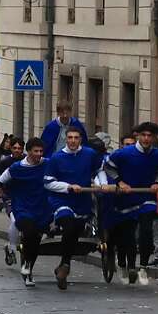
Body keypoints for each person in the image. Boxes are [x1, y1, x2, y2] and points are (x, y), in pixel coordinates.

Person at [99, 123, 158, 286]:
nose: (146, 138)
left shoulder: (156, 154)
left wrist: (156, 183)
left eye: (150, 136)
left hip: (146, 196)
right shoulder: (124, 153)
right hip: (126, 200)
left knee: (147, 228)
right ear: (138, 136)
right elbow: (108, 167)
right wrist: (120, 182)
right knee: (127, 236)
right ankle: (123, 264)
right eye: (144, 135)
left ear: (154, 138)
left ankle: (143, 266)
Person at [44, 123, 105, 290]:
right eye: (70, 137)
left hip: (82, 202)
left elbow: (99, 170)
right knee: (69, 226)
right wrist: (68, 187)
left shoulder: (90, 154)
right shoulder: (57, 158)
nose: (72, 141)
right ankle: (65, 265)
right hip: (61, 201)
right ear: (66, 139)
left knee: (76, 232)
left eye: (76, 138)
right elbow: (48, 182)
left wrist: (102, 184)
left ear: (80, 140)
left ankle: (62, 265)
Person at [0, 137, 53, 288]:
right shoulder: (16, 167)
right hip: (23, 206)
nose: (39, 154)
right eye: (36, 151)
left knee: (36, 239)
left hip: (42, 207)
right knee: (29, 232)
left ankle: (28, 267)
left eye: (41, 151)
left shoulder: (47, 163)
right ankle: (26, 264)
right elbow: (0, 182)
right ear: (28, 151)